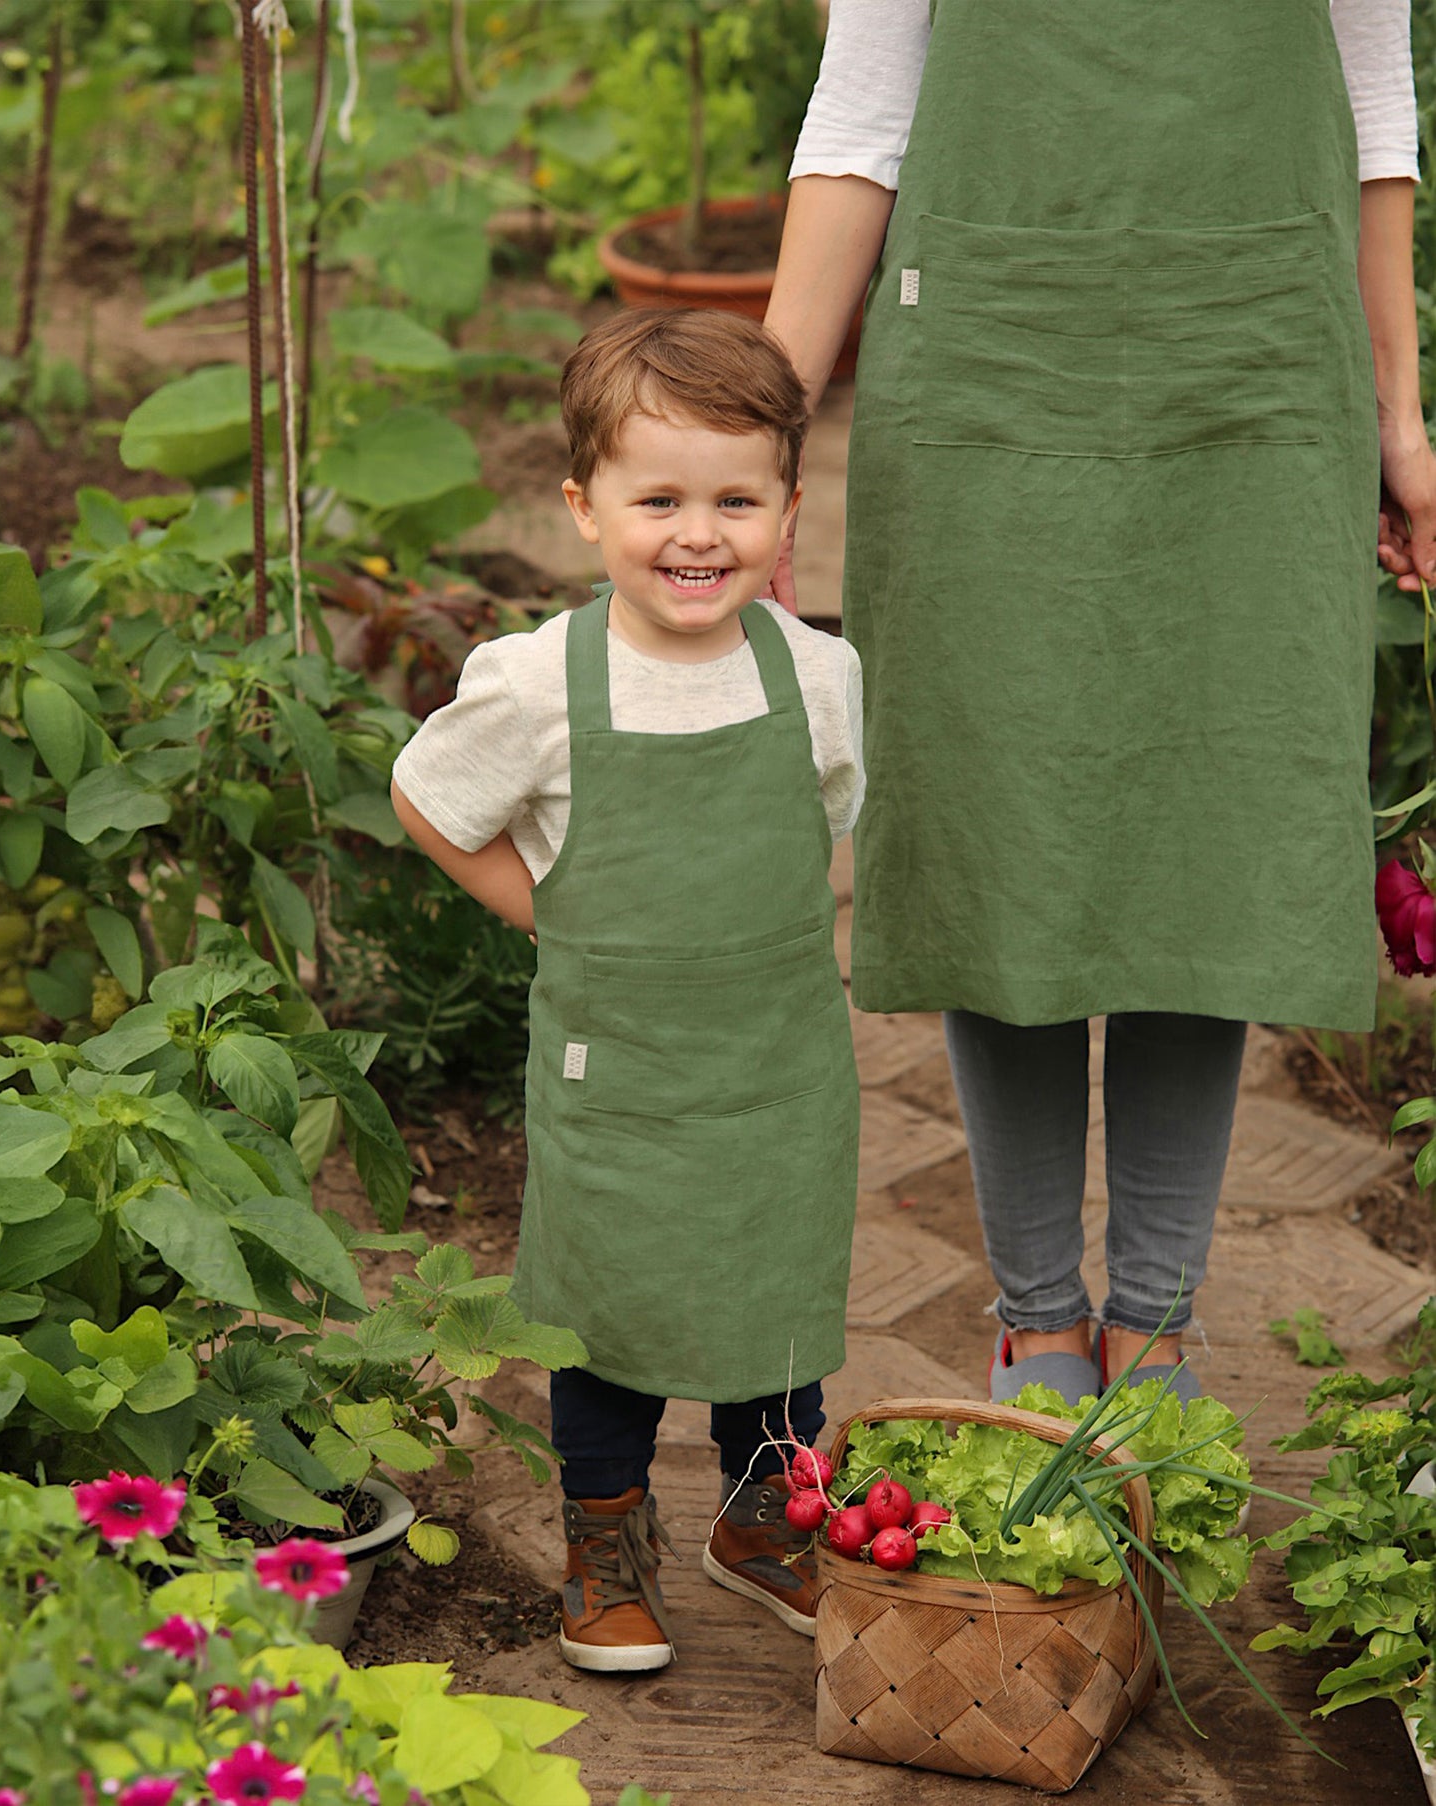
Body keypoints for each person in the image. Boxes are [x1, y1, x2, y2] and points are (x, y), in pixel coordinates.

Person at [764, 1, 1436, 1406]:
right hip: (990, 371)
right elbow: (861, 116)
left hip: (1250, 380)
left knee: (1204, 836)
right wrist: (758, 434)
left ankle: (1154, 1323)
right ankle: (1036, 1322)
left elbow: (1373, 109)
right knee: (999, 823)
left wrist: (1396, 414)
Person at [389, 309, 863, 1673]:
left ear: (785, 507)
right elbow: (430, 801)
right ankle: (604, 1531)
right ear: (582, 507)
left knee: (772, 1286)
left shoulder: (817, 677)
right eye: (657, 498)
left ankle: (761, 1507)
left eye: (736, 498)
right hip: (621, 1068)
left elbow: (825, 816)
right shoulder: (540, 682)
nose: (696, 533)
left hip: (776, 1059)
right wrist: (554, 911)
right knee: (604, 1310)